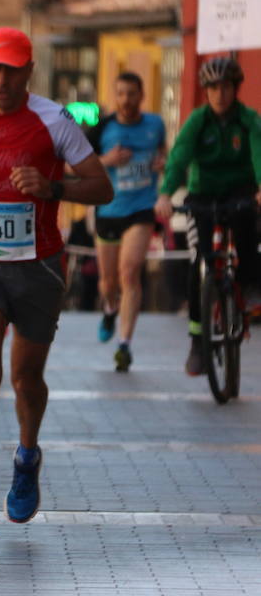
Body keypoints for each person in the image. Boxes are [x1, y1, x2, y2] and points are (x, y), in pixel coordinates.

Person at [0, 27, 112, 539]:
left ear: (29, 71)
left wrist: (53, 185)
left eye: (12, 69)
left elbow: (102, 185)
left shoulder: (54, 121)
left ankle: (28, 455)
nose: (1, 79)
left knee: (24, 379)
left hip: (39, 267)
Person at [155, 57, 261, 376]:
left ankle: (247, 293)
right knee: (200, 260)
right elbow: (179, 157)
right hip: (203, 195)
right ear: (205, 91)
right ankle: (197, 340)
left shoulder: (248, 119)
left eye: (226, 87)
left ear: (235, 89)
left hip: (241, 192)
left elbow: (259, 152)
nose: (219, 94)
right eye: (213, 88)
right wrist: (165, 193)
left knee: (248, 242)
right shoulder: (198, 120)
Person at [88, 72, 166, 372]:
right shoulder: (102, 128)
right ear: (115, 95)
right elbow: (77, 164)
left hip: (141, 208)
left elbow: (163, 154)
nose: (126, 100)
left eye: (131, 94)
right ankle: (109, 309)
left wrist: (162, 162)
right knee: (108, 283)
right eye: (120, 94)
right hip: (109, 209)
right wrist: (107, 161)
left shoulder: (155, 124)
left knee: (129, 272)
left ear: (141, 95)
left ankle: (124, 345)